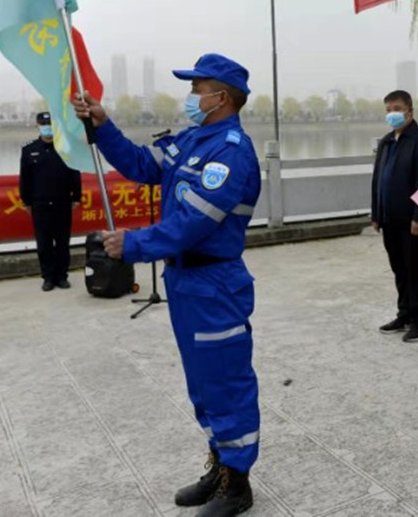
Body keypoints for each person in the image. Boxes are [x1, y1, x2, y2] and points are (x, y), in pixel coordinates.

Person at [72, 54, 261, 517]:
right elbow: (141, 164)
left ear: (222, 97)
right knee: (201, 383)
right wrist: (103, 124)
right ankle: (219, 465)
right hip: (184, 280)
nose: (191, 97)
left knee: (226, 382)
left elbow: (194, 223)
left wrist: (133, 244)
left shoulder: (231, 151)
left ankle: (238, 483)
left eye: (197, 89)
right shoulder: (195, 140)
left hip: (214, 282)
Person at [371, 89, 418, 343]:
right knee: (399, 269)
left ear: (410, 111)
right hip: (389, 219)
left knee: (416, 270)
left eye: (397, 109)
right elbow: (378, 179)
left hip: (412, 221)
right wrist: (376, 212)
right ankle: (405, 313)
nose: (392, 114)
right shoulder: (386, 141)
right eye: (388, 110)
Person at [19, 111, 81, 292]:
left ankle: (62, 276)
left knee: (62, 242)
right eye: (43, 125)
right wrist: (26, 201)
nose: (47, 128)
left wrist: (76, 196)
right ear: (37, 126)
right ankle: (47, 277)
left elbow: (74, 173)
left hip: (62, 202)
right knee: (44, 243)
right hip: (40, 204)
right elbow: (25, 178)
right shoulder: (29, 150)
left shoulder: (65, 147)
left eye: (50, 125)